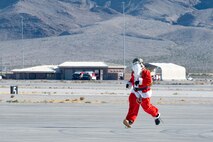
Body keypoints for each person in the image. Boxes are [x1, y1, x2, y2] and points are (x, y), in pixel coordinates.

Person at [123, 58, 161, 128]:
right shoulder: (134, 73)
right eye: (134, 64)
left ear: (141, 64)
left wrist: (140, 81)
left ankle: (156, 115)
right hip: (136, 91)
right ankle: (129, 120)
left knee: (146, 107)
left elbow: (149, 82)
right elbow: (132, 79)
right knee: (132, 104)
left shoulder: (146, 72)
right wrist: (129, 83)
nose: (135, 66)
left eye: (137, 64)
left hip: (144, 92)